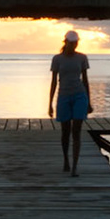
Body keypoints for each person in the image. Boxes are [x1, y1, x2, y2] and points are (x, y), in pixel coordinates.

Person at [47, 29, 91, 175]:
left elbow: (85, 80)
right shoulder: (57, 59)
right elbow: (53, 82)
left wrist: (89, 102)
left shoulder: (82, 58)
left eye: (75, 43)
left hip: (79, 96)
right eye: (71, 43)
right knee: (65, 132)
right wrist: (50, 103)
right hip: (64, 96)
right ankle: (66, 160)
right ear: (66, 43)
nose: (73, 46)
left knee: (76, 131)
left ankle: (75, 167)